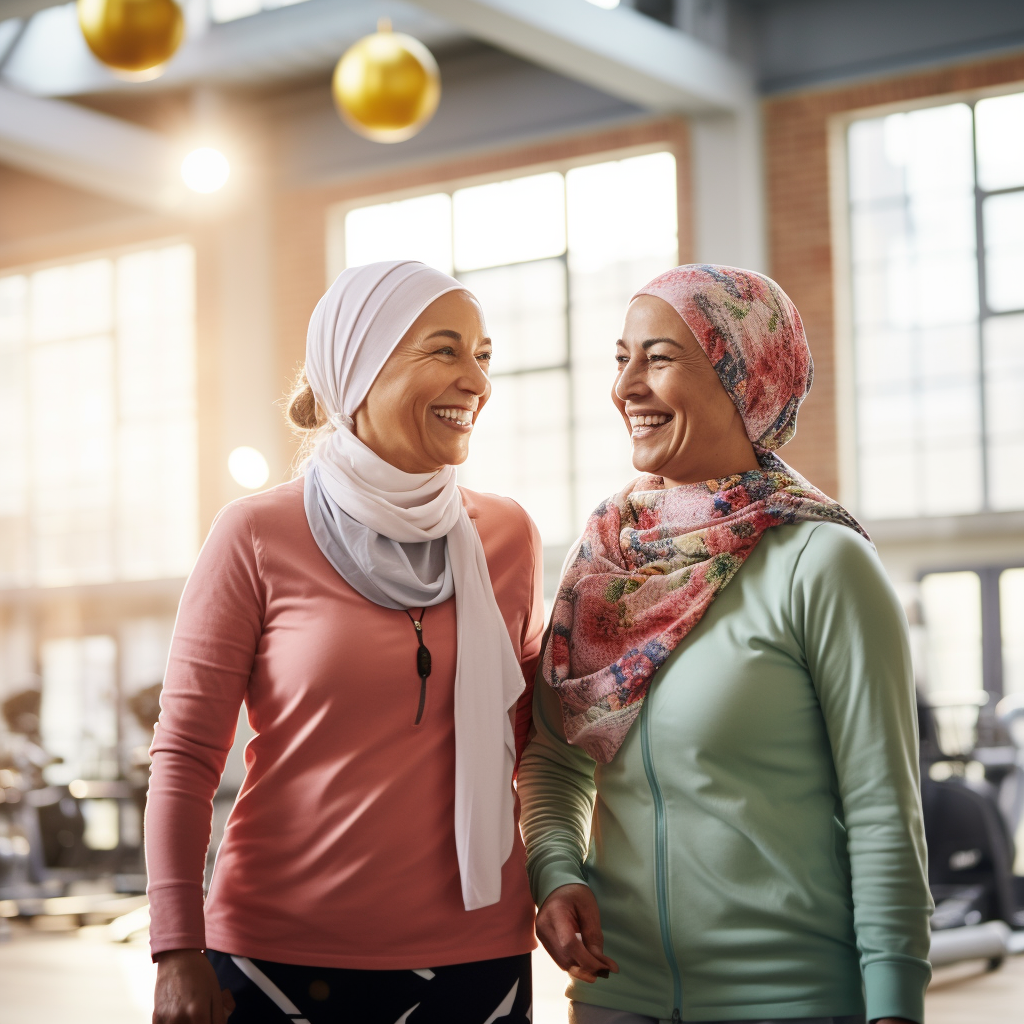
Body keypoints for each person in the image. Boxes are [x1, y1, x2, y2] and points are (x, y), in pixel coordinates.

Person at [518, 264, 931, 1024]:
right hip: (616, 996)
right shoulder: (606, 558)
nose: (626, 386)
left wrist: (897, 1005)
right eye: (622, 358)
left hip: (791, 995)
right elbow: (555, 752)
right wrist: (556, 871)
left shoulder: (823, 563)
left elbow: (882, 811)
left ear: (744, 378)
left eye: (661, 357)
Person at [147, 261, 543, 1024]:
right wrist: (175, 946)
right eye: (445, 350)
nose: (477, 381)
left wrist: (562, 878)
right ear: (359, 368)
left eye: (483, 355)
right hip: (276, 955)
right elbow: (187, 751)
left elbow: (532, 745)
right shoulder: (256, 533)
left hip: (477, 952)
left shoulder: (508, 537)